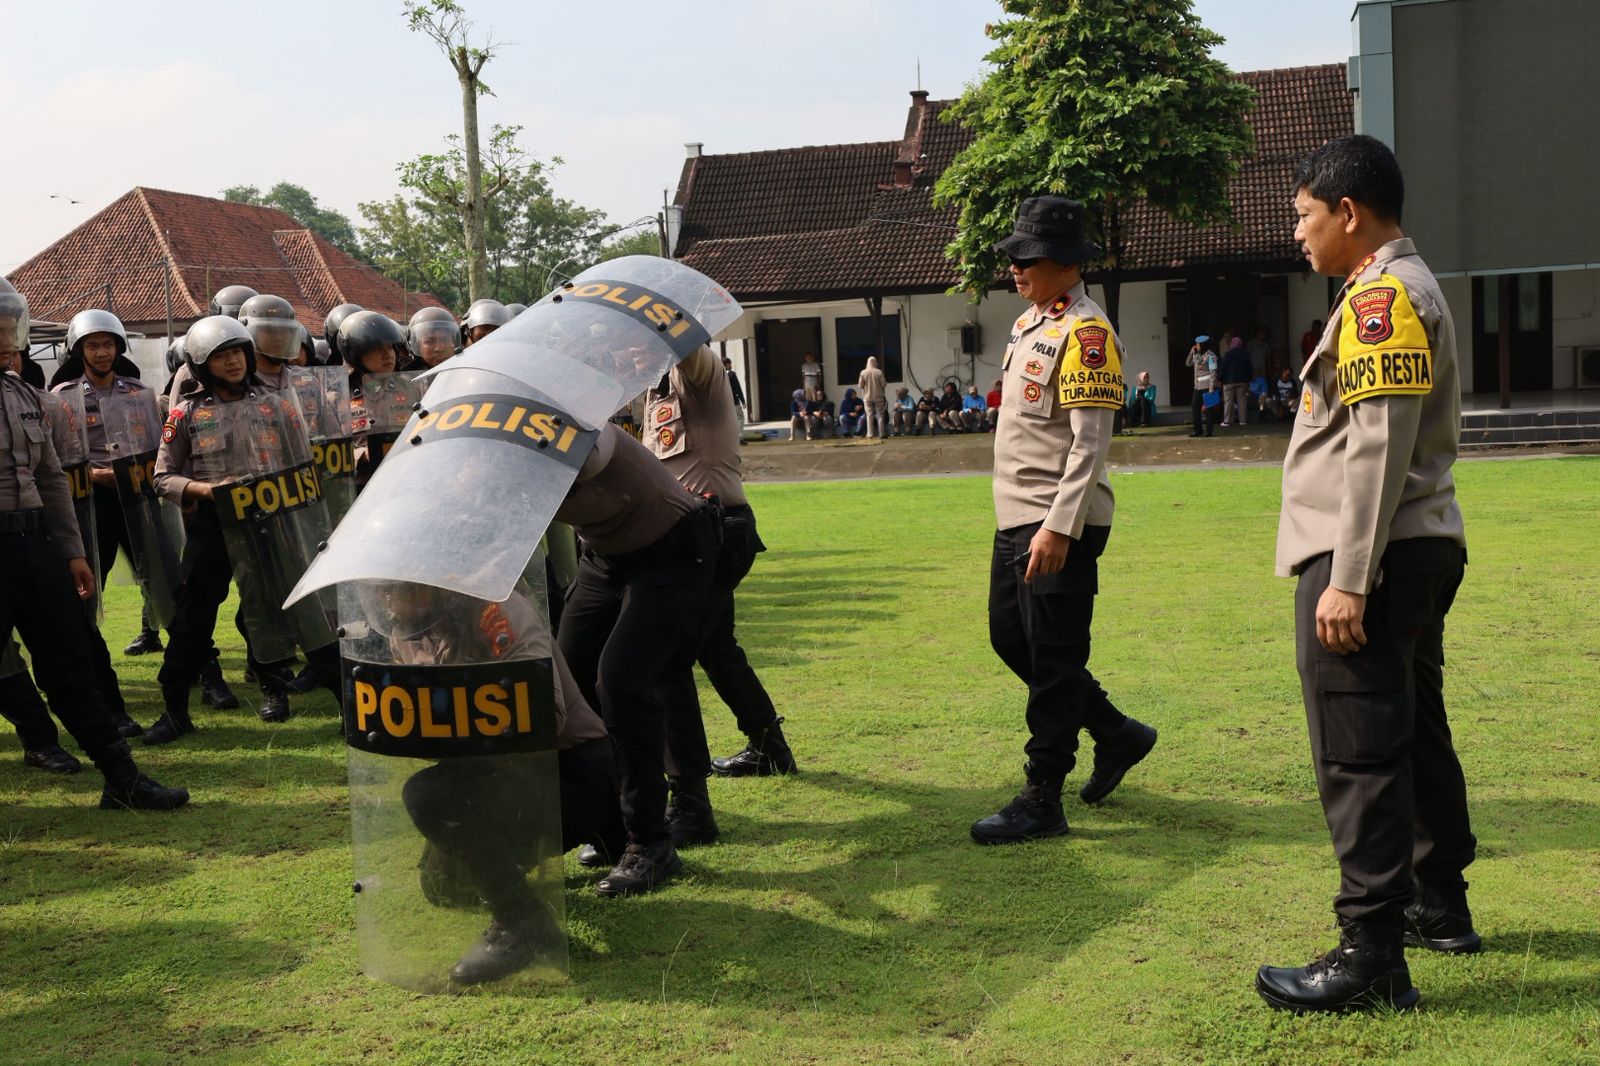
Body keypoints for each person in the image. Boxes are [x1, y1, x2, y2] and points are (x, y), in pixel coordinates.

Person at [1256, 134, 1476, 1014]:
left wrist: (1349, 576)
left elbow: (1377, 444)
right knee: (1413, 729)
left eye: (1306, 217)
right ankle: (1437, 902)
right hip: (1412, 546)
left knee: (1359, 751)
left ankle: (1372, 952)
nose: (1299, 235)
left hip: (1370, 554)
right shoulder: (1391, 288)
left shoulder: (1382, 297)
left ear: (1349, 213)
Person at [970, 195, 1158, 846]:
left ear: (1066, 263)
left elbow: (1091, 443)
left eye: (1030, 257)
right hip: (1018, 515)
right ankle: (1115, 731)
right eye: (1016, 256)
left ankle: (1042, 796)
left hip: (1057, 519)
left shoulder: (1088, 334)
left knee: (1053, 658)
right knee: (1010, 640)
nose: (1016, 267)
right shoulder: (1032, 324)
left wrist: (1059, 526)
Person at [0, 287, 188, 810]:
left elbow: (52, 479)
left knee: (70, 660)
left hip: (36, 544)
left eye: (9, 327)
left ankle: (122, 779)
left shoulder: (27, 398)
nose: (7, 339)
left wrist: (72, 550)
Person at [554, 424, 721, 897]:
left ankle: (652, 840)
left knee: (624, 679)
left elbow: (589, 455)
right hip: (605, 557)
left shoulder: (574, 419)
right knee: (568, 676)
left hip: (671, 547)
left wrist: (525, 461)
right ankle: (610, 822)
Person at [640, 345, 794, 840]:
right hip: (685, 536)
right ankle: (769, 747)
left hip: (715, 532)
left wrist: (654, 314)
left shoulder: (698, 371)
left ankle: (689, 800)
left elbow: (685, 340)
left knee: (668, 659)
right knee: (715, 648)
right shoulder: (653, 387)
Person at [1185, 335, 1218, 437]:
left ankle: (1208, 432)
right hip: (1198, 386)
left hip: (1207, 386)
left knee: (1208, 410)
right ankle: (1197, 430)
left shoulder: (1211, 356)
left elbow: (1213, 373)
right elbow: (1188, 363)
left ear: (1203, 345)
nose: (1196, 346)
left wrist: (1211, 389)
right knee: (1195, 407)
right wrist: (1191, 352)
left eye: (1198, 344)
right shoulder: (1197, 355)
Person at [1219, 335, 1252, 427]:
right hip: (1242, 381)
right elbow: (1249, 368)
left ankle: (1227, 421)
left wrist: (1220, 379)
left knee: (1228, 401)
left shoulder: (1227, 354)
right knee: (1242, 401)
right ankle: (1243, 420)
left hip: (1229, 381)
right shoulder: (1245, 354)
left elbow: (1222, 368)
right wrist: (1248, 379)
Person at [857, 356, 887, 438]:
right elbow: (883, 384)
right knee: (880, 415)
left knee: (869, 415)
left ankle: (870, 434)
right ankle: (882, 433)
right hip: (879, 397)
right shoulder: (879, 372)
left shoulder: (863, 373)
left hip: (867, 397)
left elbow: (860, 385)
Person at [722, 355, 747, 432]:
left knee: (728, 420)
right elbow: (737, 388)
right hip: (734, 400)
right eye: (730, 364)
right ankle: (739, 436)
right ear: (726, 364)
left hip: (724, 402)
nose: (731, 365)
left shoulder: (719, 374)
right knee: (740, 417)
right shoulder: (732, 374)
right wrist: (742, 400)